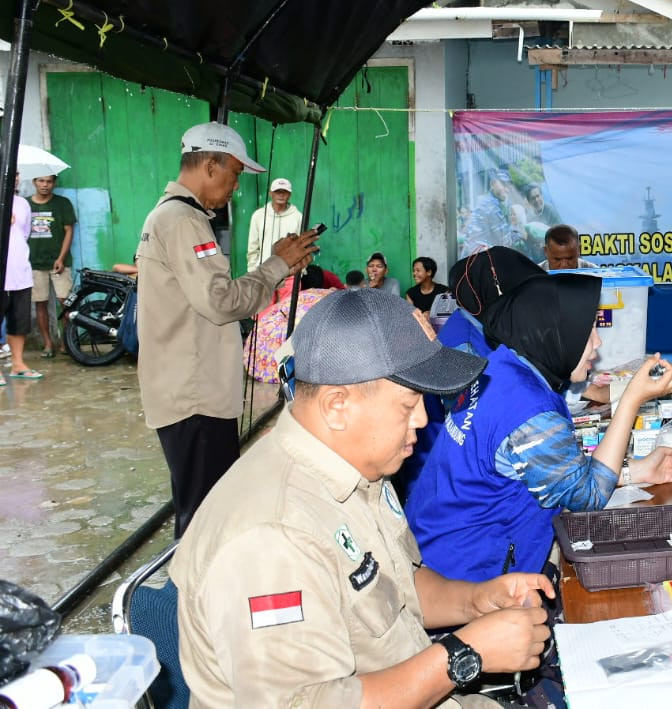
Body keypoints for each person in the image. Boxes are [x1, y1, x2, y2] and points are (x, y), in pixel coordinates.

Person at [172, 288, 553, 708]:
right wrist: (464, 654)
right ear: (338, 406)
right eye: (408, 405)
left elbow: (395, 588)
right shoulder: (270, 538)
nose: (423, 420)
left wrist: (475, 601)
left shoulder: (356, 466)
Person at [407, 271, 672, 582]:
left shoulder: (503, 368)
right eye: (588, 330)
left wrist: (635, 472)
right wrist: (632, 399)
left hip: (439, 550)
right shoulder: (529, 412)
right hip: (469, 574)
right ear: (554, 332)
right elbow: (587, 497)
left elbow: (548, 471)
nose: (597, 342)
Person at [135, 122, 317, 537]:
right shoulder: (183, 220)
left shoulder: (172, 216)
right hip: (195, 395)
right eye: (235, 173)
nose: (236, 186)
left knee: (203, 510)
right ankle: (191, 599)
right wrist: (276, 266)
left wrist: (277, 266)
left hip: (187, 387)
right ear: (211, 165)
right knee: (206, 521)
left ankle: (193, 594)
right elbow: (221, 302)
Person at [27, 174, 76, 356]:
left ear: (54, 183)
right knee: (40, 304)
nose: (45, 185)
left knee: (65, 303)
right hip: (34, 263)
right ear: (34, 182)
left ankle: (67, 342)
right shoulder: (26, 205)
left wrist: (61, 258)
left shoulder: (62, 203)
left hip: (59, 263)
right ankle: (48, 343)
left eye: (49, 181)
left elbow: (69, 231)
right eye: (41, 181)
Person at [3, 173, 39, 382]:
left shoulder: (22, 203)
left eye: (16, 174)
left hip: (19, 272)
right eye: (10, 173)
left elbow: (25, 234)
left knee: (19, 321)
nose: (14, 177)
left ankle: (18, 364)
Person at [245, 177, 303, 270]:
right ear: (270, 193)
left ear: (290, 195)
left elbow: (301, 247)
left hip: (289, 272)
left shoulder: (298, 217)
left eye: (284, 192)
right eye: (277, 191)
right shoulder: (258, 215)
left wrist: (299, 271)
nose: (281, 195)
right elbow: (253, 248)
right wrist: (252, 270)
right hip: (263, 272)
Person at [461, 169, 520, 255]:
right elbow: (505, 243)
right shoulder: (491, 207)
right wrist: (515, 228)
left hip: (476, 258)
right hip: (478, 260)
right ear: (492, 184)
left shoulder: (487, 202)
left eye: (508, 186)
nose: (507, 190)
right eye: (503, 184)